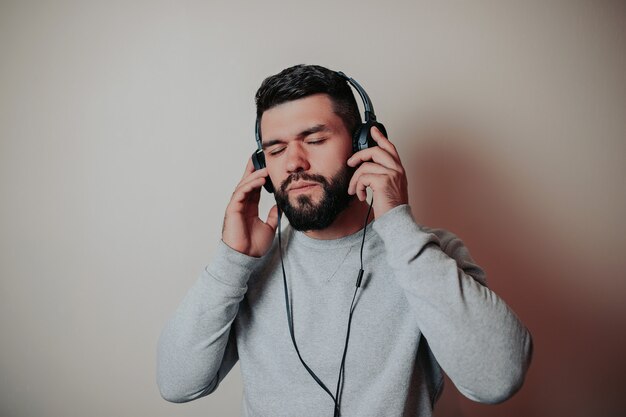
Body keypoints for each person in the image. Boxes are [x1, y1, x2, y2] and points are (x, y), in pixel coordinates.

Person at [157, 64, 532, 417]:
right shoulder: (247, 266)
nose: (293, 163)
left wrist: (398, 227)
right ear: (262, 168)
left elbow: (497, 378)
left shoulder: (425, 254)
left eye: (315, 139)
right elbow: (178, 384)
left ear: (362, 145)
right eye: (275, 150)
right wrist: (232, 260)